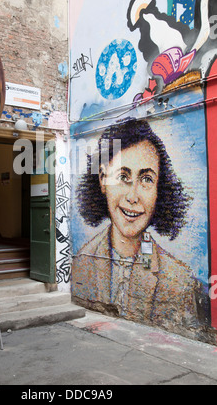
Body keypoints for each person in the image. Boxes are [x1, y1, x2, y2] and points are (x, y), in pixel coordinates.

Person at [72, 118, 208, 334]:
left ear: (158, 190)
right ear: (102, 179)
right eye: (123, 176)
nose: (133, 196)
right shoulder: (81, 263)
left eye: (146, 179)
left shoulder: (180, 281)